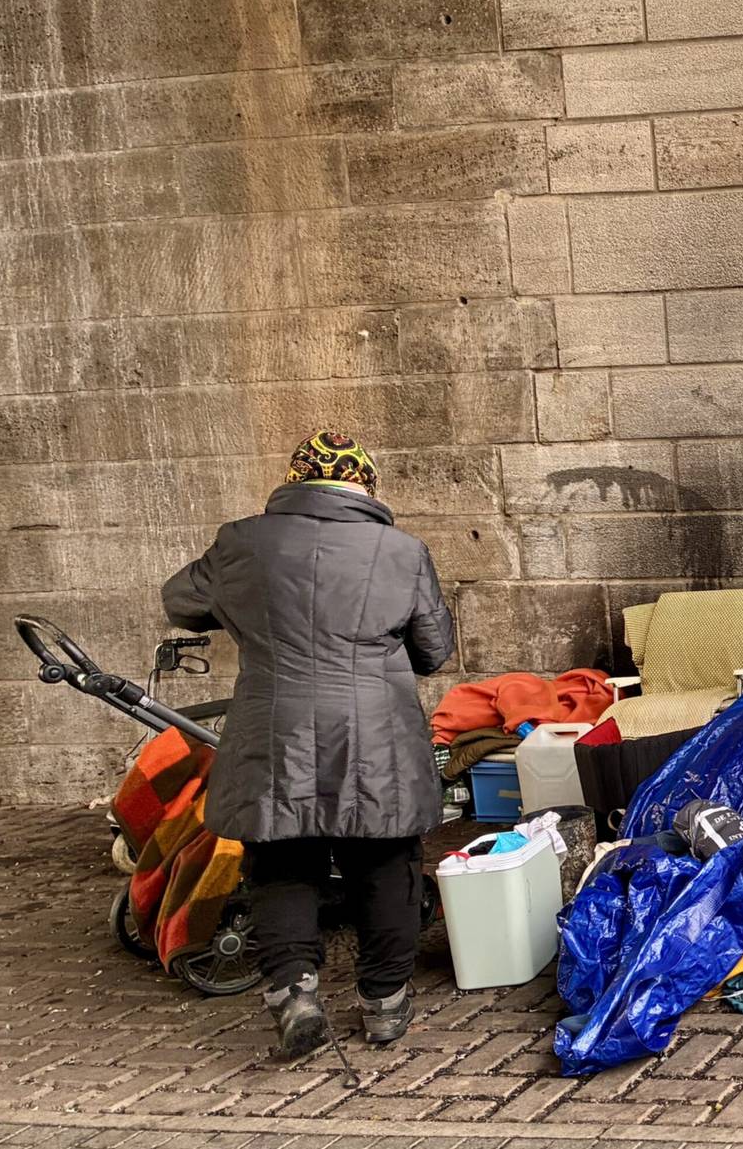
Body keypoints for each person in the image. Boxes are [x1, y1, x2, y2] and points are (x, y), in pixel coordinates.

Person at [163, 430, 456, 1057]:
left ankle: (294, 995)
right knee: (386, 861)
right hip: (374, 732)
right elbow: (433, 651)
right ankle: (384, 1003)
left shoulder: (240, 542)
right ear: (365, 485)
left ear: (295, 481)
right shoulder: (402, 551)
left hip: (274, 727)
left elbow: (181, 602)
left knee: (281, 860)